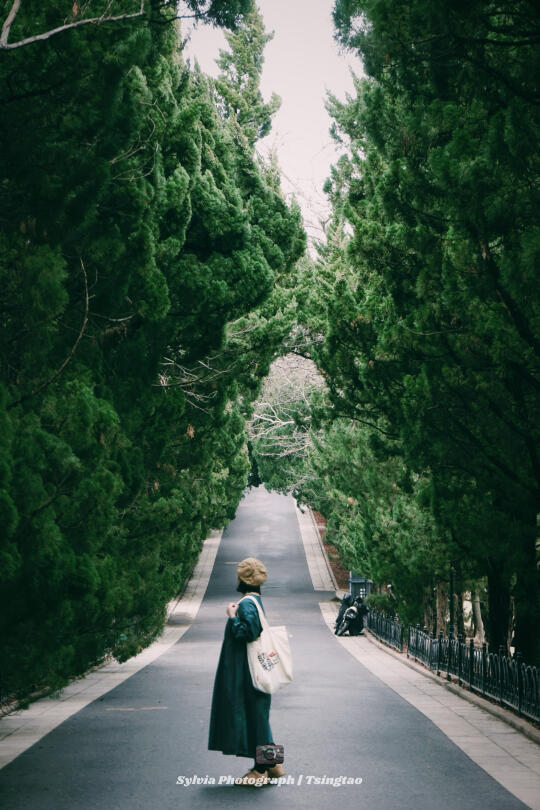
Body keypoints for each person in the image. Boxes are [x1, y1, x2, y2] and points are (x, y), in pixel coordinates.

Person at [208, 557, 285, 787]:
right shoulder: (256, 601)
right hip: (257, 670)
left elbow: (248, 632)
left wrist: (232, 617)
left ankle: (260, 770)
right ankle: (273, 764)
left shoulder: (246, 604)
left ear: (241, 579)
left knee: (254, 715)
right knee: (259, 716)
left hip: (248, 672)